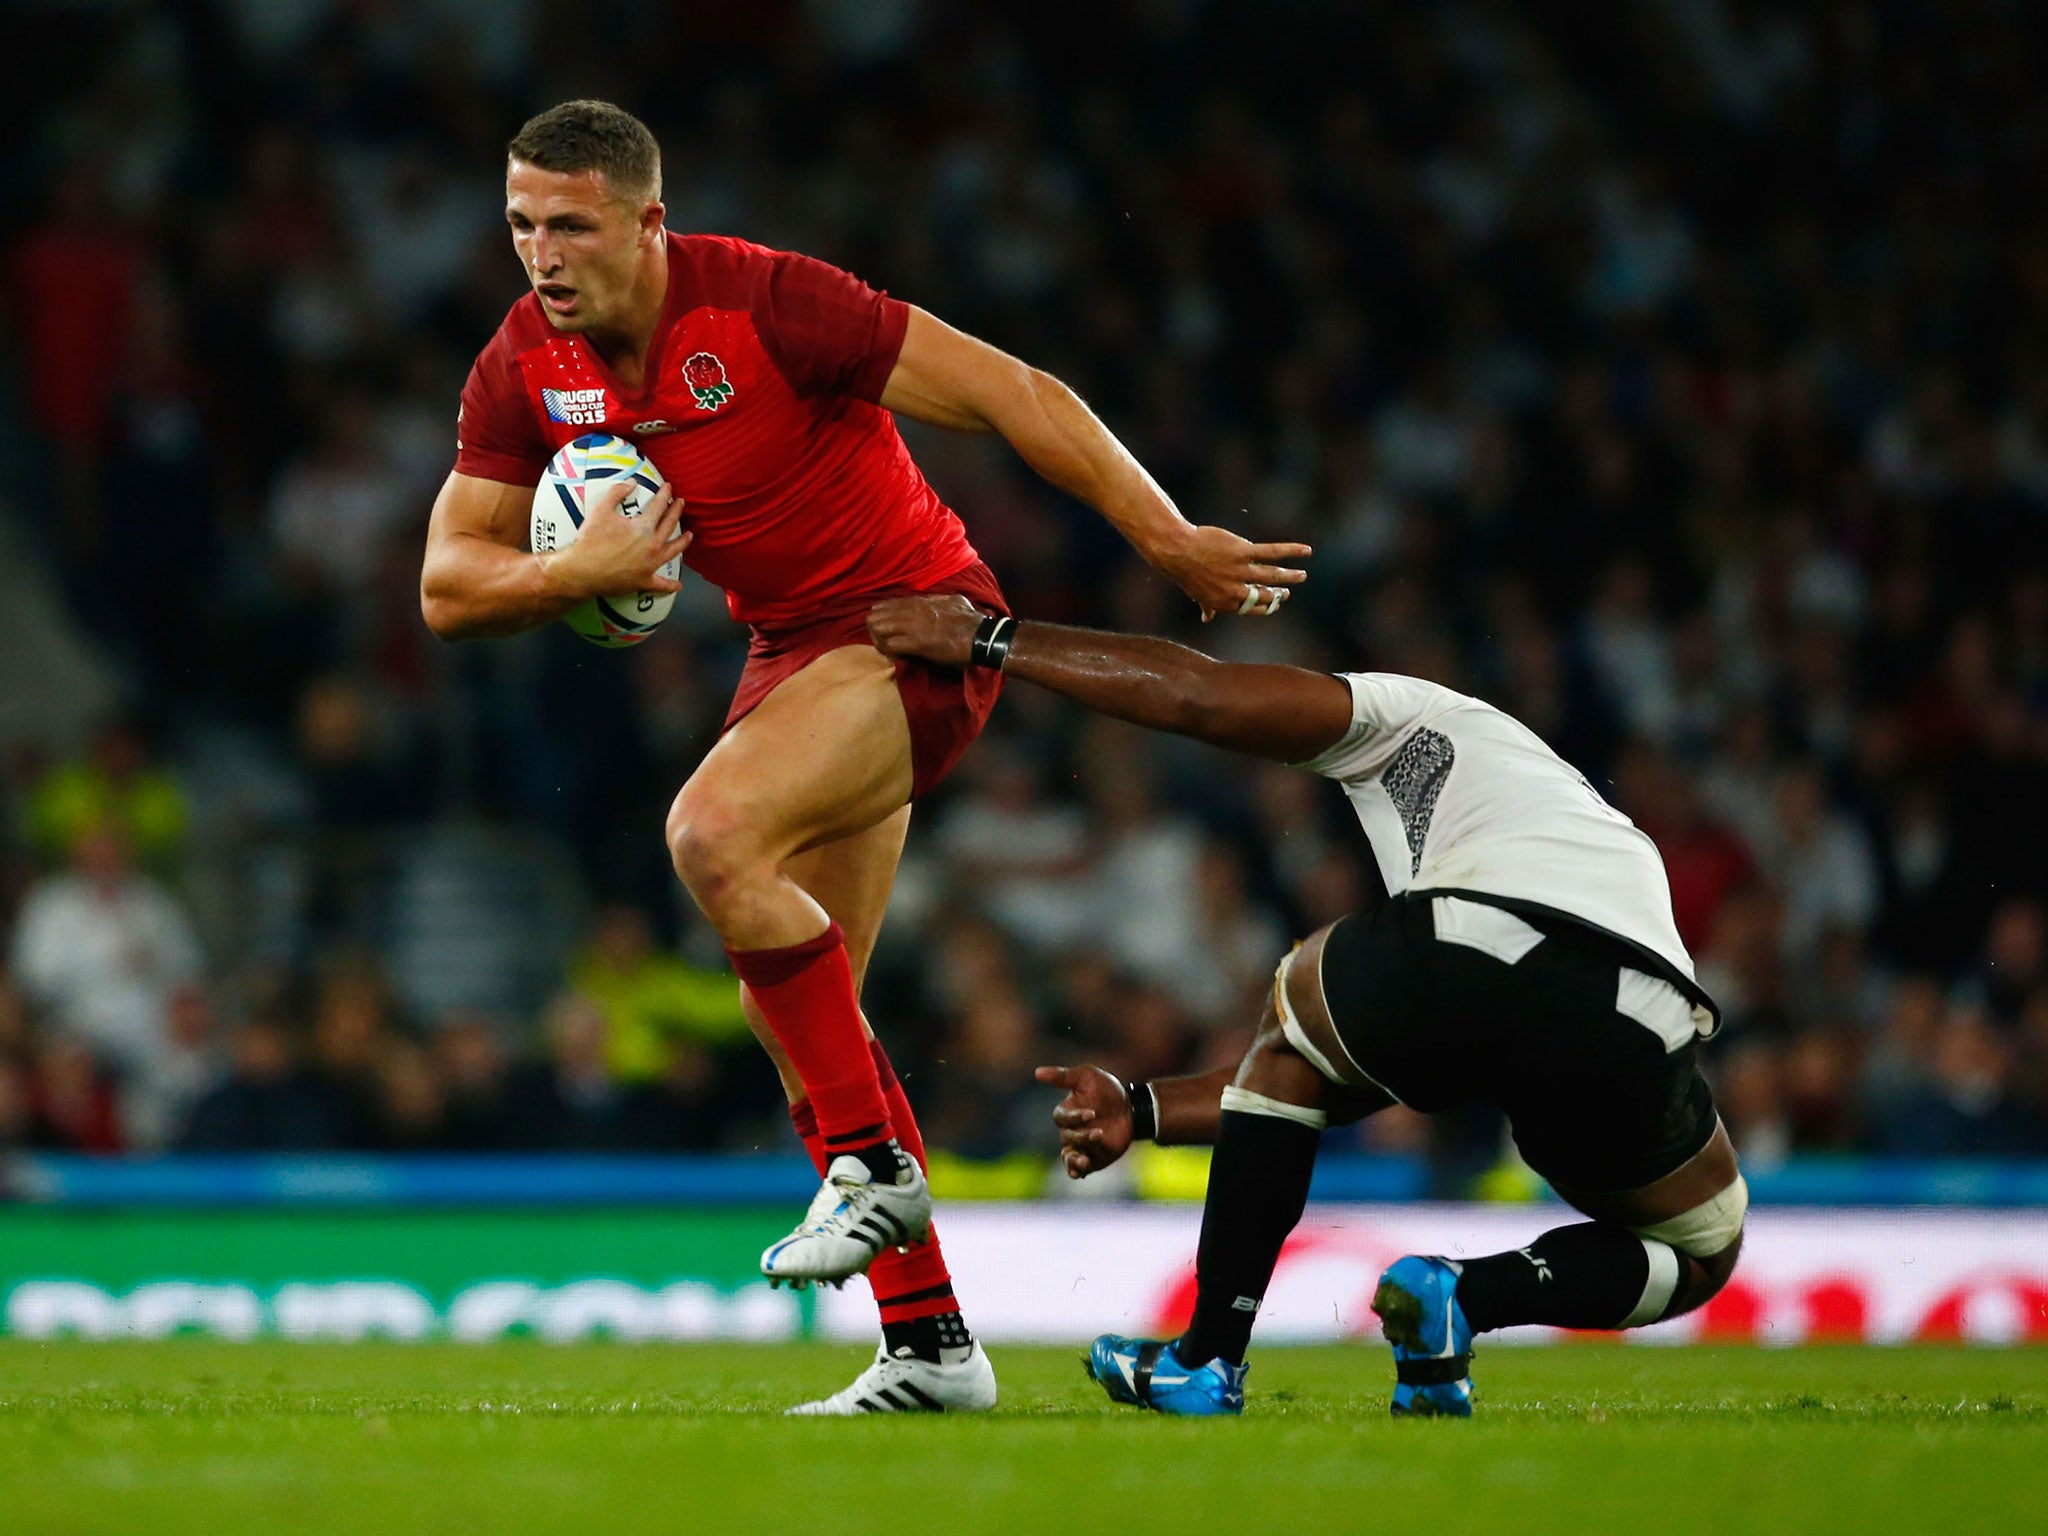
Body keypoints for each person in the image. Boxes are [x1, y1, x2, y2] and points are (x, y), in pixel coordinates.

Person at [417, 100, 1308, 1415]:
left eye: (570, 226)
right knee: (794, 1017)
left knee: (712, 837)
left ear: (649, 224)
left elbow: (1014, 392)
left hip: (918, 626)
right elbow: (447, 583)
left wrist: (1168, 537)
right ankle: (933, 1348)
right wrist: (574, 571)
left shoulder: (770, 304)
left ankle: (876, 1175)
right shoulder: (519, 365)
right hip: (798, 658)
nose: (540, 254)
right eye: (520, 224)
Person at [866, 593, 1746, 1418]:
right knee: (1704, 1250)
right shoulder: (1567, 823)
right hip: (1645, 1018)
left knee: (1297, 1015)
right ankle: (1462, 1299)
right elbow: (1369, 1070)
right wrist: (1145, 1109)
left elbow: (1199, 696)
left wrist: (990, 639)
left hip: (1481, 939)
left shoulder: (1418, 716)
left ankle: (1208, 1356)